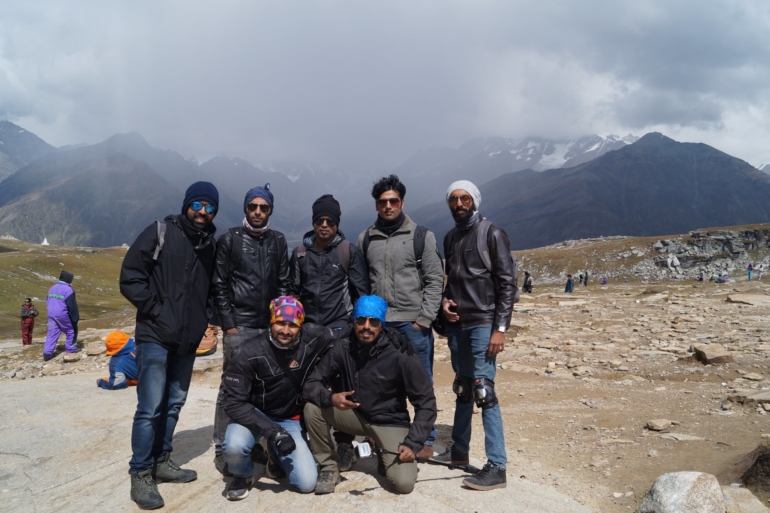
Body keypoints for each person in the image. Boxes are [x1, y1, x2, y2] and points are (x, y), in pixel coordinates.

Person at [119, 181, 219, 510]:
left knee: (174, 402)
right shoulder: (160, 232)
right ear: (187, 204)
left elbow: (209, 291)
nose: (203, 212)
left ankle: (161, 461)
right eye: (198, 204)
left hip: (187, 340)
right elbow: (130, 276)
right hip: (154, 335)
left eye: (210, 207)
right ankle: (140, 472)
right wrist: (157, 311)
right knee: (150, 407)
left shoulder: (209, 245)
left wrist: (204, 320)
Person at [303, 295, 437, 495]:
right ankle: (329, 467)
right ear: (354, 322)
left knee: (403, 483)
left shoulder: (400, 353)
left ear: (381, 324)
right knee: (312, 408)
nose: (366, 326)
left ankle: (383, 451)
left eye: (373, 321)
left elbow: (426, 402)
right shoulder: (342, 347)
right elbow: (311, 384)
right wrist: (331, 398)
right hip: (354, 415)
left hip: (389, 422)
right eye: (361, 320)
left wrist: (413, 443)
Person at [436, 181, 516, 491]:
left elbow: (507, 283)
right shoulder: (451, 237)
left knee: (484, 390)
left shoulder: (492, 233)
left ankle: (497, 465)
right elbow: (454, 280)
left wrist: (500, 328)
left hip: (483, 322)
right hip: (458, 324)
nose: (459, 204)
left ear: (474, 201)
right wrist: (445, 301)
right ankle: (459, 451)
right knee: (464, 387)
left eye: (465, 198)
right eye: (454, 199)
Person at [356, 175, 443, 459]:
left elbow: (434, 279)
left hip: (412, 323)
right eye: (383, 202)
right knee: (377, 381)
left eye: (394, 201)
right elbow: (361, 282)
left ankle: (425, 438)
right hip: (378, 324)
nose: (388, 206)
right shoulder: (366, 239)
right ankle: (380, 434)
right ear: (376, 205)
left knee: (421, 381)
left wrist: (424, 319)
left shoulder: (421, 236)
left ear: (402, 203)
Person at [220, 296, 339, 500]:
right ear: (271, 321)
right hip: (255, 414)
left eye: (293, 325)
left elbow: (345, 336)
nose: (285, 330)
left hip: (289, 417)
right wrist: (275, 433)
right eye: (280, 323)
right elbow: (232, 403)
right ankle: (242, 474)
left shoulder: (313, 336)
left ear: (301, 326)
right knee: (234, 447)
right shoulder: (247, 352)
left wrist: (388, 336)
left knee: (307, 483)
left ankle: (274, 455)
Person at [211, 183, 291, 474]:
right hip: (240, 326)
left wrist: (279, 323)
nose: (258, 211)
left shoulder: (278, 241)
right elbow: (219, 284)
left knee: (267, 386)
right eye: (253, 206)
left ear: (270, 210)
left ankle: (260, 443)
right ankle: (222, 448)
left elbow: (283, 283)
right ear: (245, 208)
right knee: (230, 388)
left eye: (263, 207)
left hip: (269, 327)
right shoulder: (230, 239)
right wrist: (229, 326)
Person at [291, 193, 369, 470]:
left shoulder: (347, 251)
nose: (325, 225)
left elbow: (360, 293)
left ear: (337, 224)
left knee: (341, 384)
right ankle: (306, 440)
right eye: (320, 220)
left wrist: (355, 329)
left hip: (340, 328)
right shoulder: (300, 253)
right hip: (308, 330)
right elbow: (293, 292)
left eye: (330, 221)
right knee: (304, 383)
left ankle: (344, 443)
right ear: (313, 222)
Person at [43, 270, 79, 360]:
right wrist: (75, 318)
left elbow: (47, 300)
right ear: (68, 279)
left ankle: (47, 353)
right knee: (71, 330)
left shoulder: (52, 288)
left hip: (51, 313)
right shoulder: (68, 290)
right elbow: (71, 306)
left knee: (52, 333)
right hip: (62, 314)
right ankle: (70, 350)